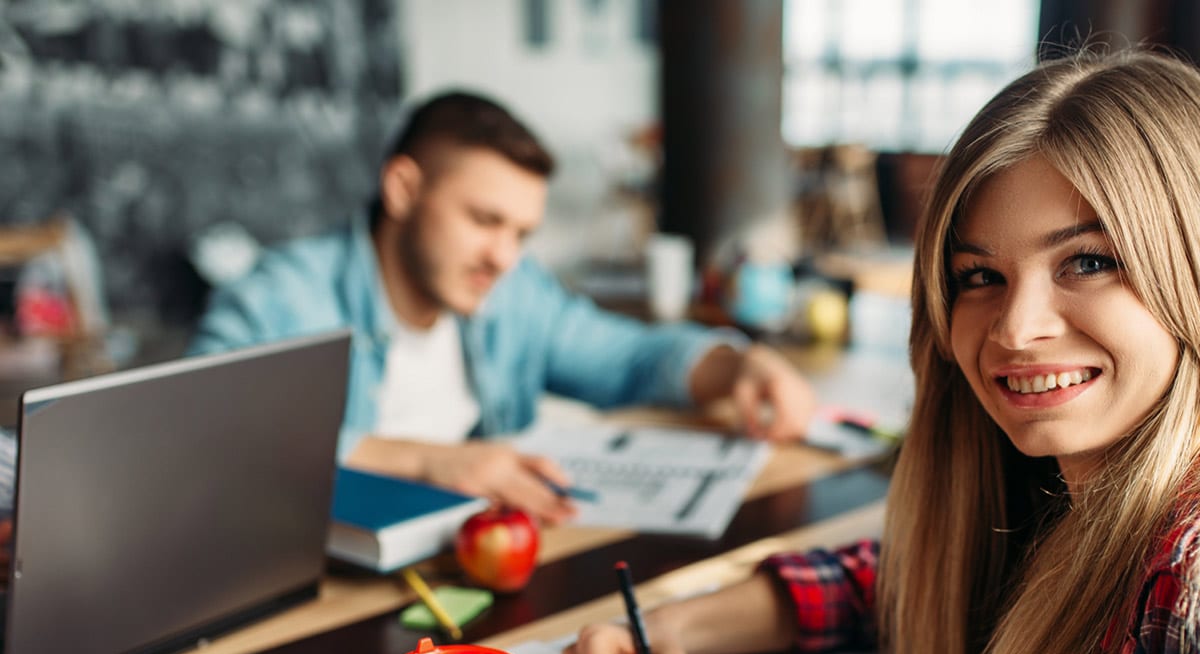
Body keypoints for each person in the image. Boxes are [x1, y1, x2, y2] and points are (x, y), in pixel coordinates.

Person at [557, 47, 1200, 654]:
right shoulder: (1058, 503)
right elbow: (906, 578)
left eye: (1087, 260)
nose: (1015, 327)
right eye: (980, 277)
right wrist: (673, 630)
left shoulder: (1184, 597)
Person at [189, 91, 816, 525]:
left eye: (521, 233)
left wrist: (738, 365)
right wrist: (428, 461)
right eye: (485, 220)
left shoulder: (510, 292)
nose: (503, 256)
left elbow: (625, 357)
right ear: (403, 188)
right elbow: (203, 443)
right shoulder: (282, 297)